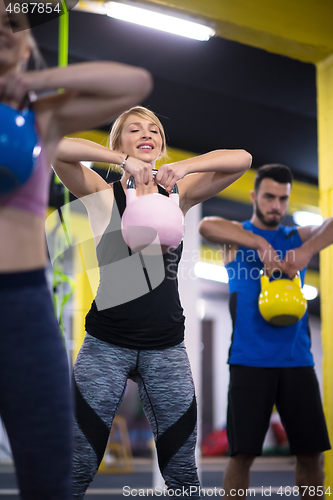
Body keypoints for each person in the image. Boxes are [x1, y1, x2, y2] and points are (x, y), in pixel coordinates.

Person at [52, 105, 252, 498]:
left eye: (154, 130)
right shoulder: (101, 194)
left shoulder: (179, 195)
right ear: (120, 142)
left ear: (160, 144)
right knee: (75, 467)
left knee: (182, 476)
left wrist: (184, 166)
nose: (146, 134)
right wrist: (120, 161)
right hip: (105, 345)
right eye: (134, 130)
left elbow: (242, 160)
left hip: (166, 347)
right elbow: (56, 146)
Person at [0, 3, 153, 498]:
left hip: (21, 306)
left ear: (26, 45)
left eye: (13, 23)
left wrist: (39, 81)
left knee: (49, 474)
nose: (3, 28)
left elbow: (134, 83)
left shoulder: (40, 116)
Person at [199, 164, 332, 500]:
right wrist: (259, 242)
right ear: (254, 196)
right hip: (249, 361)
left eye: (283, 199)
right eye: (270, 197)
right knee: (242, 456)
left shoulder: (294, 236)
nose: (277, 205)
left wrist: (307, 251)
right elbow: (206, 225)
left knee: (309, 455)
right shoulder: (236, 236)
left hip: (296, 361)